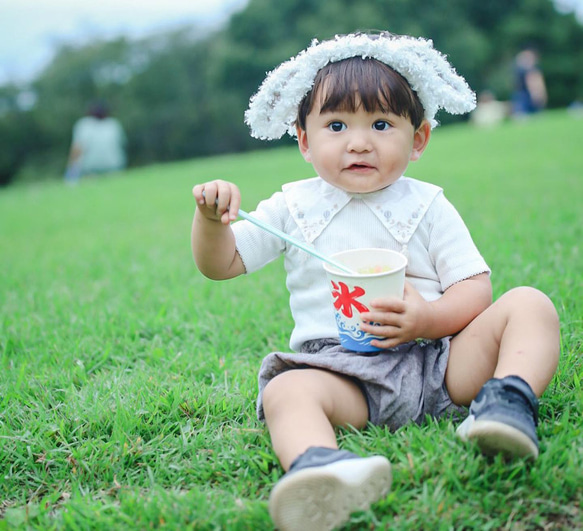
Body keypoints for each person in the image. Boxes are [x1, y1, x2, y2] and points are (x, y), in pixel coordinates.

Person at [191, 32, 560, 531]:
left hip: (437, 365)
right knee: (287, 392)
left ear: (419, 139)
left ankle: (506, 403)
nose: (359, 142)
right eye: (337, 125)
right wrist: (212, 222)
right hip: (343, 376)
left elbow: (475, 289)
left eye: (382, 124)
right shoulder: (293, 207)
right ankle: (320, 466)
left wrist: (428, 319)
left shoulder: (427, 205)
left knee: (529, 305)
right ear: (303, 139)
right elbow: (223, 263)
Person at [65, 101, 127, 183]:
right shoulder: (114, 124)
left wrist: (71, 173)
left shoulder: (84, 125)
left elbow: (76, 150)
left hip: (90, 170)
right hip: (114, 167)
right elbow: (122, 145)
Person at [512, 48, 548, 117]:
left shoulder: (531, 70)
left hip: (527, 94)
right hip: (522, 94)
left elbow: (534, 83)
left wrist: (537, 93)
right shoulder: (524, 70)